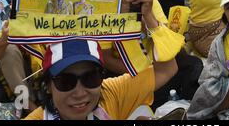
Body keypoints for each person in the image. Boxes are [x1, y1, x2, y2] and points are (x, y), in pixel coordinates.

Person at [23, 37, 178, 120]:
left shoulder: (110, 93)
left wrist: (148, 22)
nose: (80, 93)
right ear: (48, 86)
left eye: (90, 78)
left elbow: (166, 69)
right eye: (66, 82)